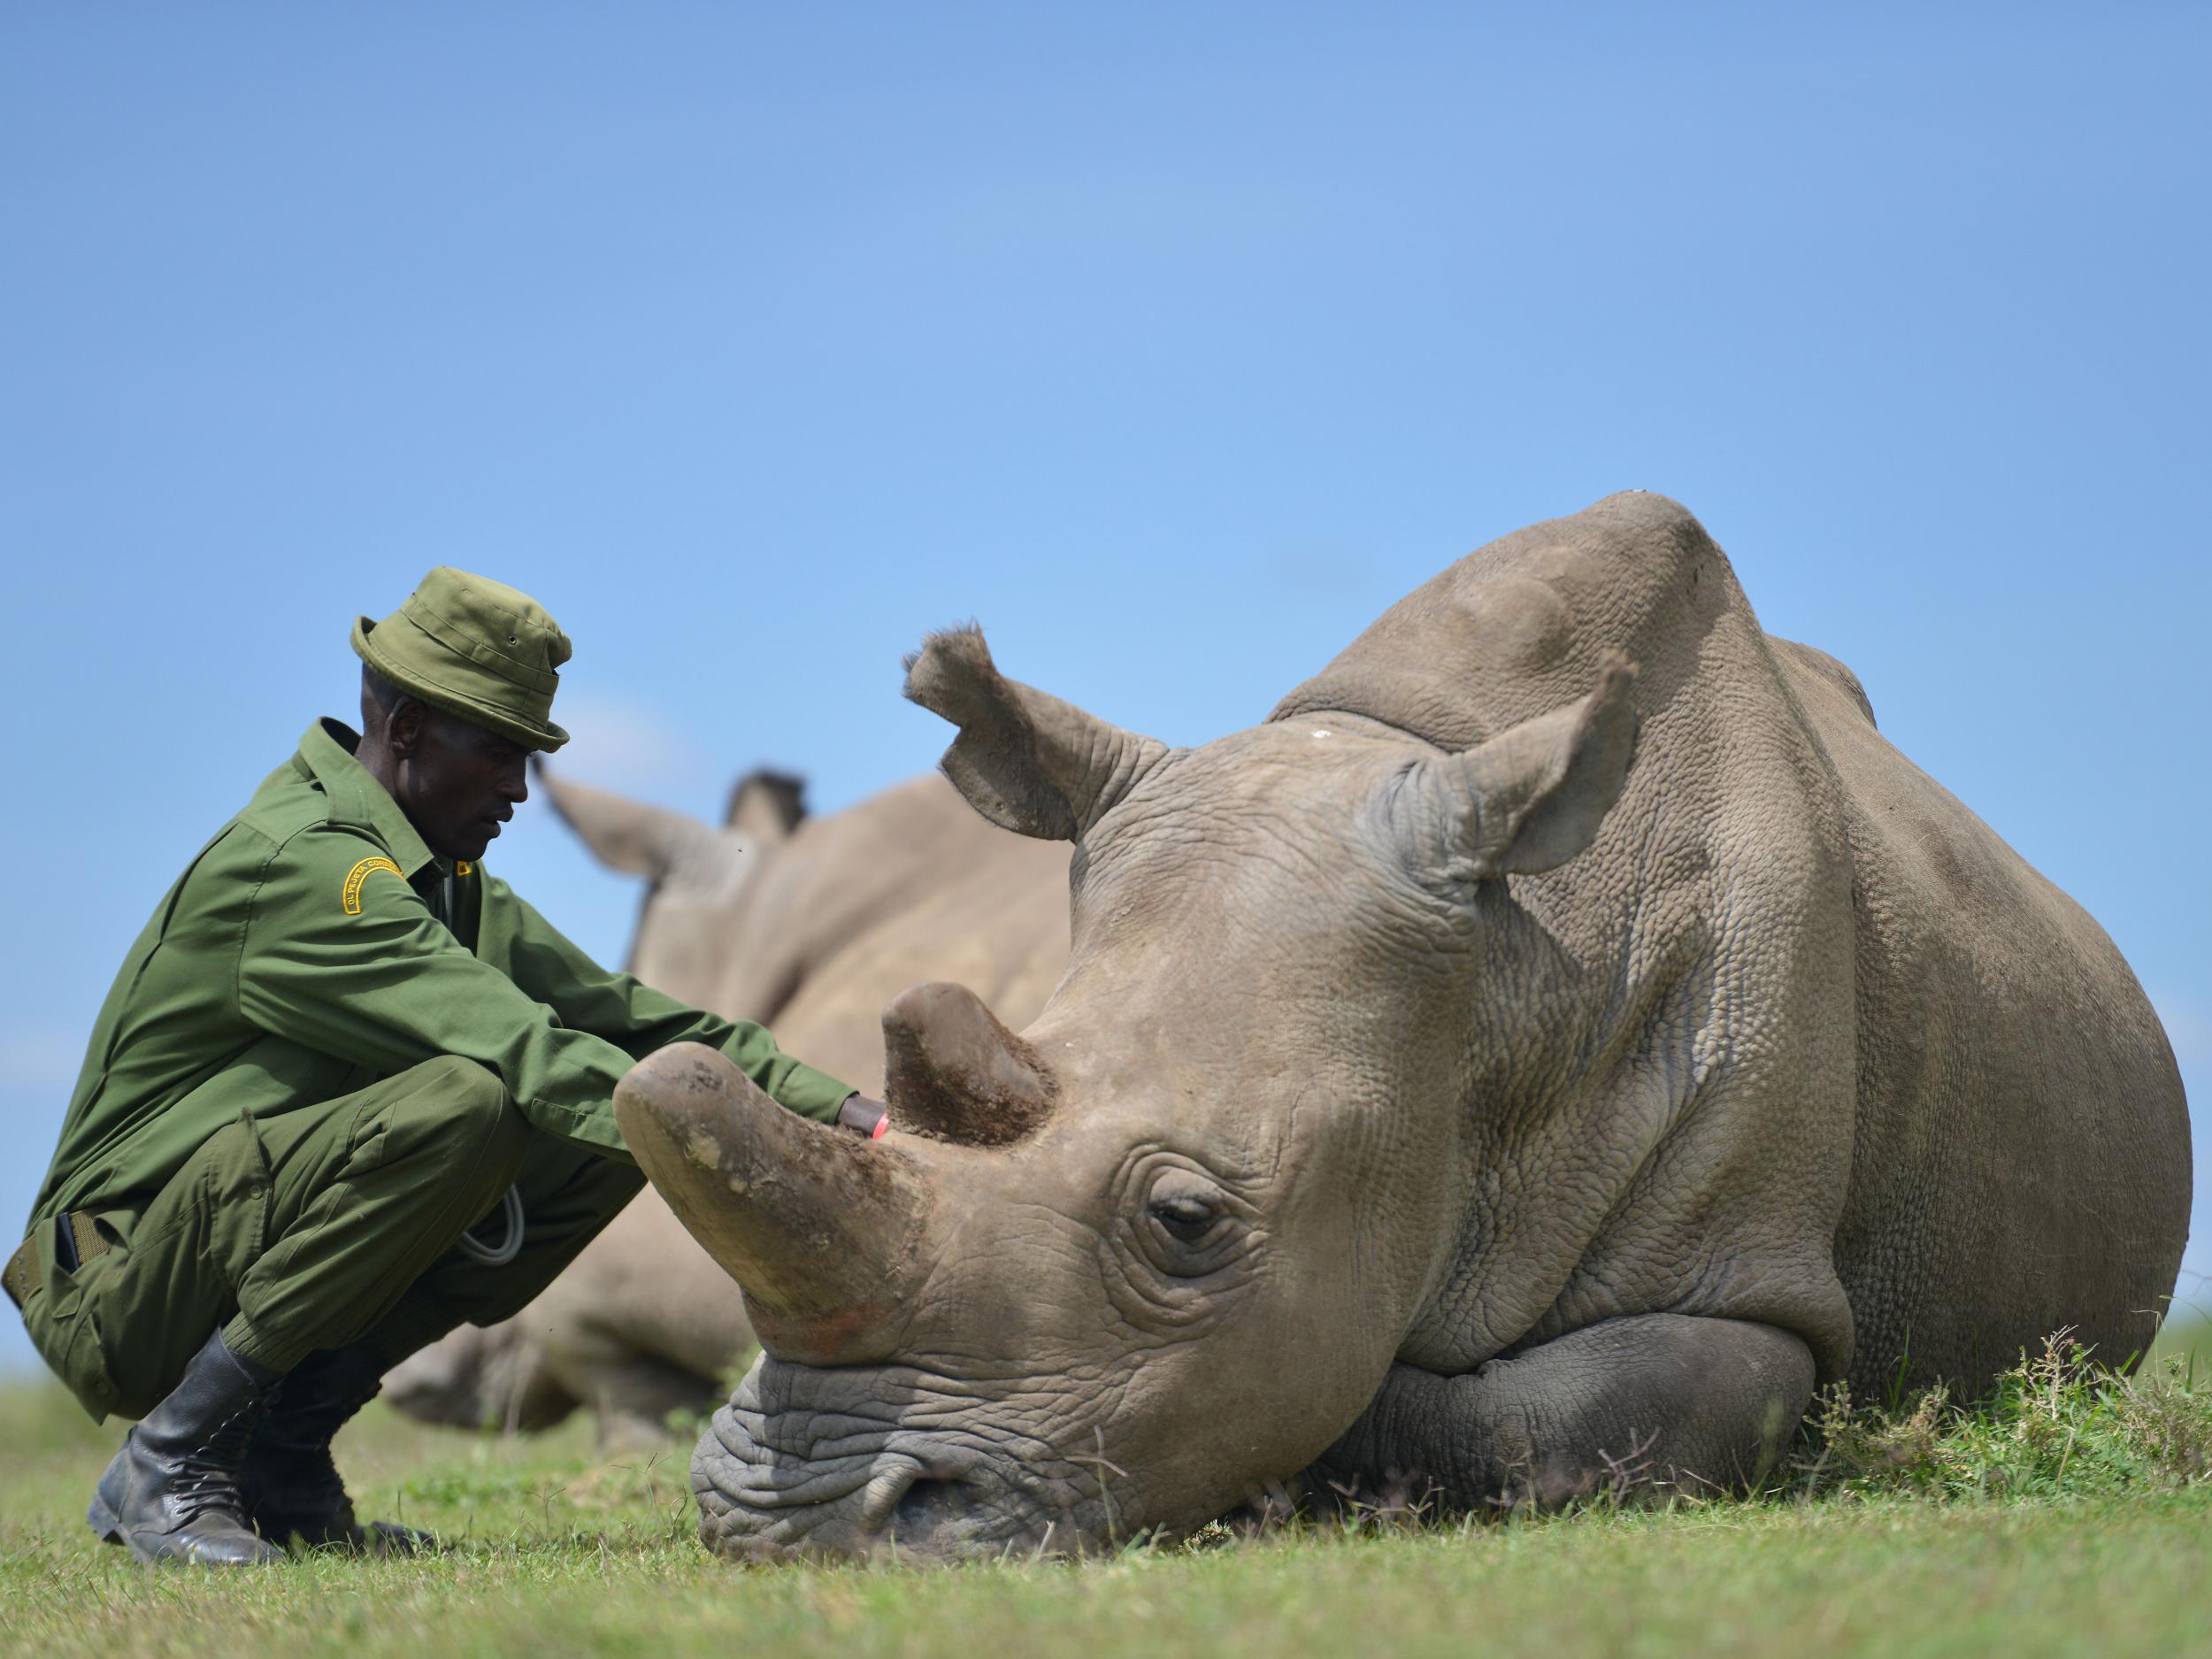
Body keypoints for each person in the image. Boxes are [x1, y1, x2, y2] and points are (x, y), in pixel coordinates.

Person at [4, 569, 888, 1565]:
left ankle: (281, 1460)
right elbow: (520, 1051)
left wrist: (859, 1122)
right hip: (116, 1285)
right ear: (414, 729)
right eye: (501, 752)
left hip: (210, 1242)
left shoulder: (447, 886)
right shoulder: (307, 869)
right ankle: (169, 1460)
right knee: (473, 1100)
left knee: (624, 1116)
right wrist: (776, 1175)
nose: (518, 790)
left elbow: (647, 1033)